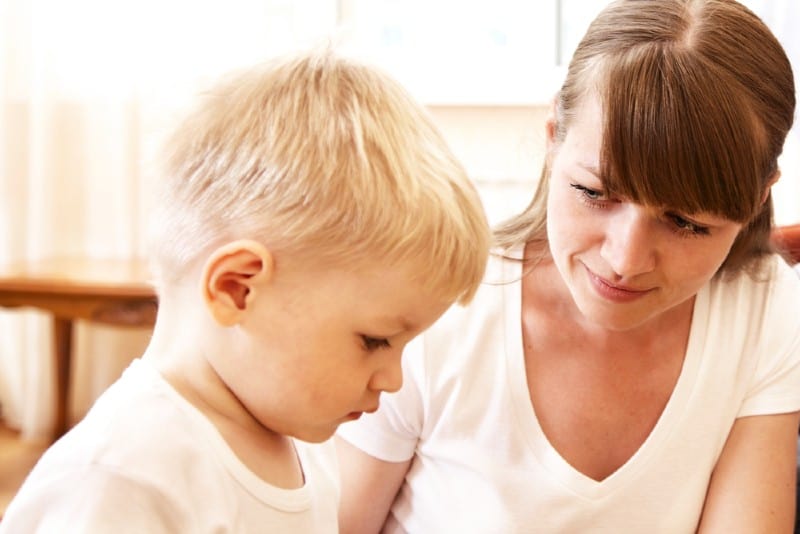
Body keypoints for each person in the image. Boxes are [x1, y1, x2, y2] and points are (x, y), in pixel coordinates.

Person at [336, 1, 800, 532]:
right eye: (594, 192)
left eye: (687, 223)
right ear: (554, 134)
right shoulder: (439, 305)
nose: (624, 260)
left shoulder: (764, 310)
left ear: (758, 197)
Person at [0, 49, 491, 532]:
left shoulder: (301, 439)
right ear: (237, 289)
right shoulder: (118, 480)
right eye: (375, 340)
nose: (392, 380)